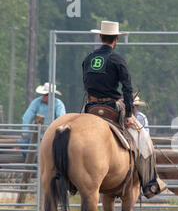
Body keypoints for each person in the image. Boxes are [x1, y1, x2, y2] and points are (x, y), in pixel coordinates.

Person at [82, 20, 165, 198]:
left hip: (90, 107)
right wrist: (128, 115)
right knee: (143, 138)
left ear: (100, 36)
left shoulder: (88, 58)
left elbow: (86, 84)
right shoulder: (117, 60)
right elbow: (127, 89)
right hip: (111, 107)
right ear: (116, 39)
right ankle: (150, 183)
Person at [20, 82, 66, 148]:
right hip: (36, 134)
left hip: (52, 136)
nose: (43, 96)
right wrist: (25, 133)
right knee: (23, 143)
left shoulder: (58, 104)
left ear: (52, 95)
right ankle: (32, 158)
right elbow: (27, 117)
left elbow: (61, 119)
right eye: (43, 94)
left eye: (46, 94)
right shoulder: (36, 102)